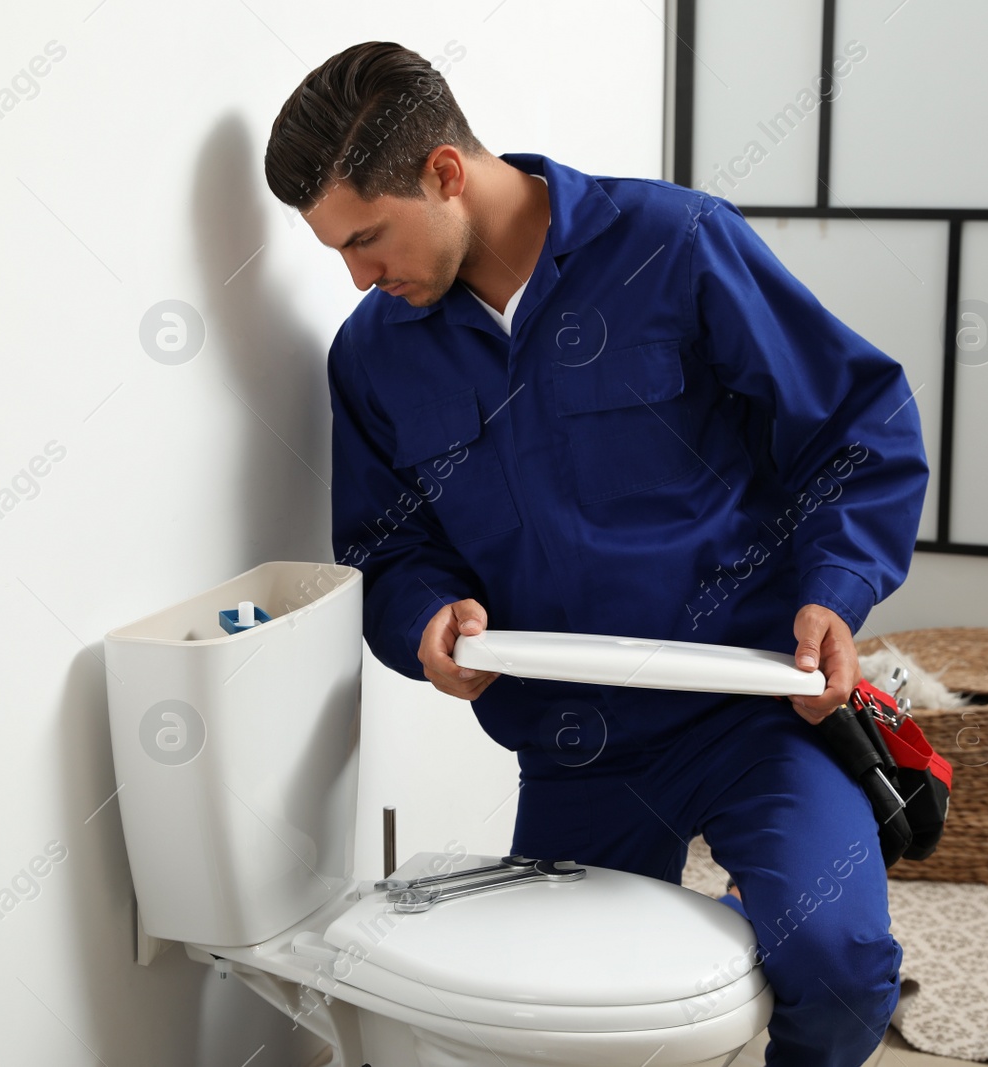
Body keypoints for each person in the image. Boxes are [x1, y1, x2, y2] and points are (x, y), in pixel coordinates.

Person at [264, 40, 929, 1067]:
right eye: (336, 253)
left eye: (367, 237)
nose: (357, 275)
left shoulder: (676, 241)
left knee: (838, 956)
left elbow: (856, 425)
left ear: (444, 173)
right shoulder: (372, 355)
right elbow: (388, 549)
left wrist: (836, 590)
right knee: (558, 1019)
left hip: (753, 707)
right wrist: (428, 619)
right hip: (576, 742)